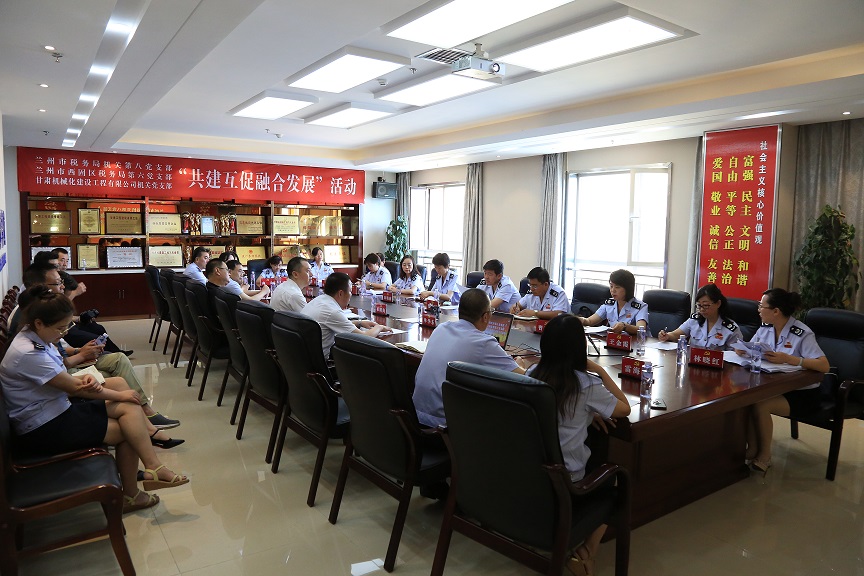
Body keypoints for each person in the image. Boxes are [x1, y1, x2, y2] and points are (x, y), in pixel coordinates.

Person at [0, 288, 189, 513]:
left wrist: (86, 378)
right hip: (42, 427)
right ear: (39, 323)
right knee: (128, 426)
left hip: (53, 408)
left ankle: (150, 472)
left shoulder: (35, 336)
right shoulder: (29, 352)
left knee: (128, 408)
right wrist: (120, 395)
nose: (63, 333)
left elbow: (61, 374)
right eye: (60, 328)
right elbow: (76, 388)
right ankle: (135, 490)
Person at [528, 314, 631, 576]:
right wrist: (599, 369)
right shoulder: (587, 384)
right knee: (615, 480)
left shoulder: (531, 375)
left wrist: (588, 412)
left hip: (532, 473)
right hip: (567, 481)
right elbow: (624, 408)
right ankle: (587, 552)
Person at [743, 288, 830, 475]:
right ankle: (752, 448)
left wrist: (790, 359)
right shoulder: (765, 328)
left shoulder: (802, 333)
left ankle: (764, 456)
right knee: (747, 400)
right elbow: (753, 347)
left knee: (761, 404)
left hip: (803, 393)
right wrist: (744, 350)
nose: (758, 310)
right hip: (777, 386)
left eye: (761, 306)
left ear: (776, 311)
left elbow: (824, 365)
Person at [413, 289, 528, 428]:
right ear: (485, 316)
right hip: (444, 426)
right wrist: (520, 365)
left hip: (415, 418)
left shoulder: (441, 328)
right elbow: (525, 379)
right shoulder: (483, 342)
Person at [303, 272, 389, 357]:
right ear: (340, 293)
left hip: (304, 357)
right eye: (350, 291)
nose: (350, 295)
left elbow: (337, 323)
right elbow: (364, 339)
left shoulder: (319, 300)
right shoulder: (332, 311)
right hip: (320, 362)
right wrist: (379, 327)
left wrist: (359, 323)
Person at [658, 284, 742, 349]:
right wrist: (667, 336)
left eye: (706, 305)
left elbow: (735, 354)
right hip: (694, 362)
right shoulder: (694, 320)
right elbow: (676, 334)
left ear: (718, 304)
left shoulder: (730, 328)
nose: (701, 309)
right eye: (699, 305)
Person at [579, 269, 648, 335]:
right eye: (611, 286)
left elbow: (641, 329)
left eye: (617, 287)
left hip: (636, 342)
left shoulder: (640, 307)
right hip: (615, 340)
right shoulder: (609, 304)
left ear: (628, 289)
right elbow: (590, 321)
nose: (613, 290)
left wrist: (624, 326)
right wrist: (578, 320)